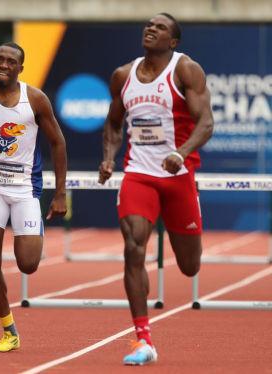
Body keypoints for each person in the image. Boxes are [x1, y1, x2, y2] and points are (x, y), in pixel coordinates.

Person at [98, 13, 213, 366]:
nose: (151, 29)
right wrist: (108, 158)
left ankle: (187, 239)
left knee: (190, 266)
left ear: (173, 42)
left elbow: (206, 123)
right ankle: (143, 339)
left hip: (178, 177)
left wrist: (181, 152)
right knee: (133, 246)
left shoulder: (186, 71)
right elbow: (114, 124)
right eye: (149, 25)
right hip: (139, 174)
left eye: (160, 27)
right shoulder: (123, 76)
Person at [0, 42, 68, 352]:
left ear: (21, 67)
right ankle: (9, 329)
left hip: (25, 190)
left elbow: (58, 143)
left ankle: (32, 237)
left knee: (28, 264)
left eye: (10, 61)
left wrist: (60, 194)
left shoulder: (35, 99)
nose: (3, 64)